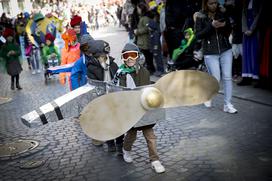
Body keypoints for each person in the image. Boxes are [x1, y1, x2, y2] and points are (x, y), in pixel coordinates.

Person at [119, 42, 165, 174]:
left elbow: (147, 89)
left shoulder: (144, 72)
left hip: (144, 110)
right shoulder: (121, 74)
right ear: (123, 58)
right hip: (130, 111)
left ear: (138, 56)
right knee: (131, 136)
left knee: (150, 137)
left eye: (132, 55)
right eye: (126, 56)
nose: (129, 58)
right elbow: (120, 92)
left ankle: (155, 160)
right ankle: (126, 150)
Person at [195, 0, 237, 114]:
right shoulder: (200, 16)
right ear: (206, 4)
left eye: (215, 2)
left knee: (228, 77)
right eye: (211, 3)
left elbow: (230, 29)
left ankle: (228, 104)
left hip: (225, 49)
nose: (214, 5)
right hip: (210, 52)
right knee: (216, 79)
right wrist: (211, 26)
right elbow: (198, 35)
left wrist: (225, 25)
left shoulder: (223, 12)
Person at [86, 40, 122, 151]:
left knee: (119, 121)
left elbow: (120, 79)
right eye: (101, 57)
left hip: (115, 98)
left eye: (105, 56)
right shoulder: (91, 68)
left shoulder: (114, 65)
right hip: (102, 99)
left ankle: (120, 143)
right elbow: (93, 85)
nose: (104, 59)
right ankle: (110, 142)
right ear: (96, 57)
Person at [134, 2, 155, 74]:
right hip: (142, 40)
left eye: (138, 9)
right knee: (147, 55)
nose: (137, 10)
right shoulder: (142, 17)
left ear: (141, 9)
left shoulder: (145, 18)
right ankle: (149, 68)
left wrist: (137, 31)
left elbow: (146, 29)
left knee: (148, 56)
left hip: (145, 40)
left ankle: (151, 69)